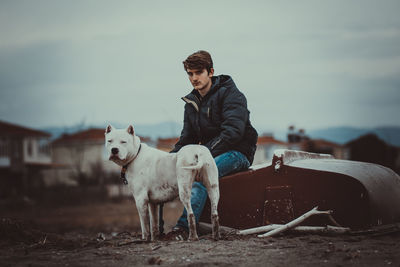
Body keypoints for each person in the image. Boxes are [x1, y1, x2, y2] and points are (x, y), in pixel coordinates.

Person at [163, 50, 258, 240]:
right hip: (209, 153)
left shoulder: (232, 95)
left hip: (237, 153)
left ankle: (183, 229)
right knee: (173, 175)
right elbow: (186, 139)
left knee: (200, 177)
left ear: (211, 72)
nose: (194, 78)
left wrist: (204, 155)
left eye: (198, 72)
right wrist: (167, 161)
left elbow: (232, 133)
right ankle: (157, 228)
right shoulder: (191, 103)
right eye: (190, 74)